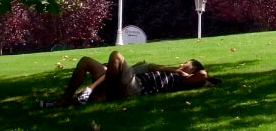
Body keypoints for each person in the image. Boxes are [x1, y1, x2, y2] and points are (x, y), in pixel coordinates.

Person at [46, 50, 215, 106]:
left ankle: (102, 95)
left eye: (187, 63)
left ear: (192, 69)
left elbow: (203, 76)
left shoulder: (183, 80)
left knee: (117, 55)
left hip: (136, 86)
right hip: (124, 79)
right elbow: (150, 66)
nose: (182, 63)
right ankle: (65, 99)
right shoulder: (169, 70)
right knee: (86, 61)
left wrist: (182, 73)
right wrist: (174, 69)